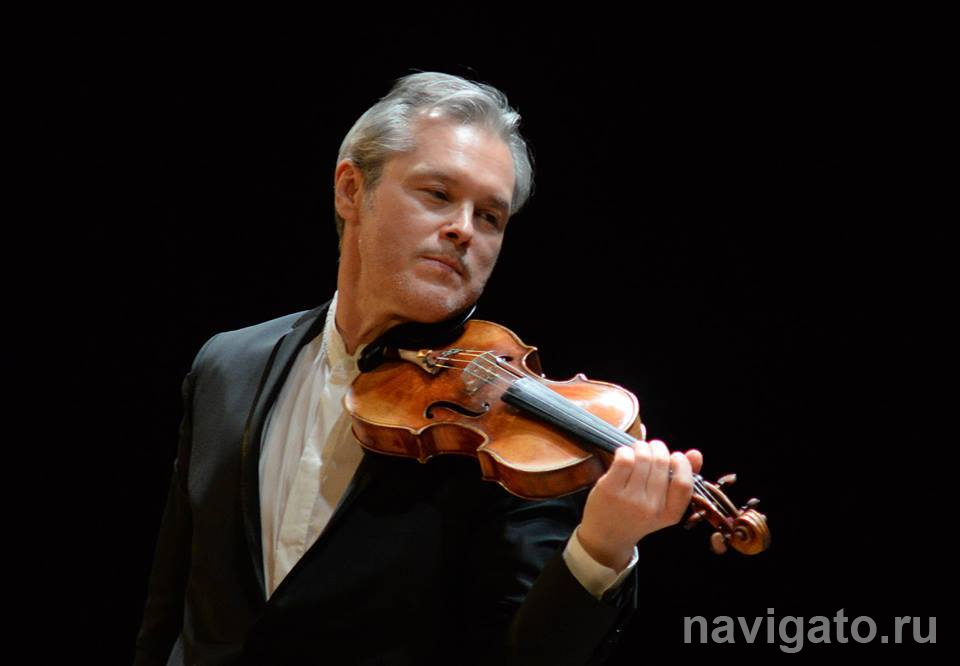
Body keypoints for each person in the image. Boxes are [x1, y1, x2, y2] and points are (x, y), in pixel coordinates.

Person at [134, 72, 702, 666]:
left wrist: (603, 545)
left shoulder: (515, 439)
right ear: (351, 190)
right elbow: (169, 605)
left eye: (490, 216)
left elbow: (528, 655)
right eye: (437, 194)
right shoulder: (226, 366)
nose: (463, 229)